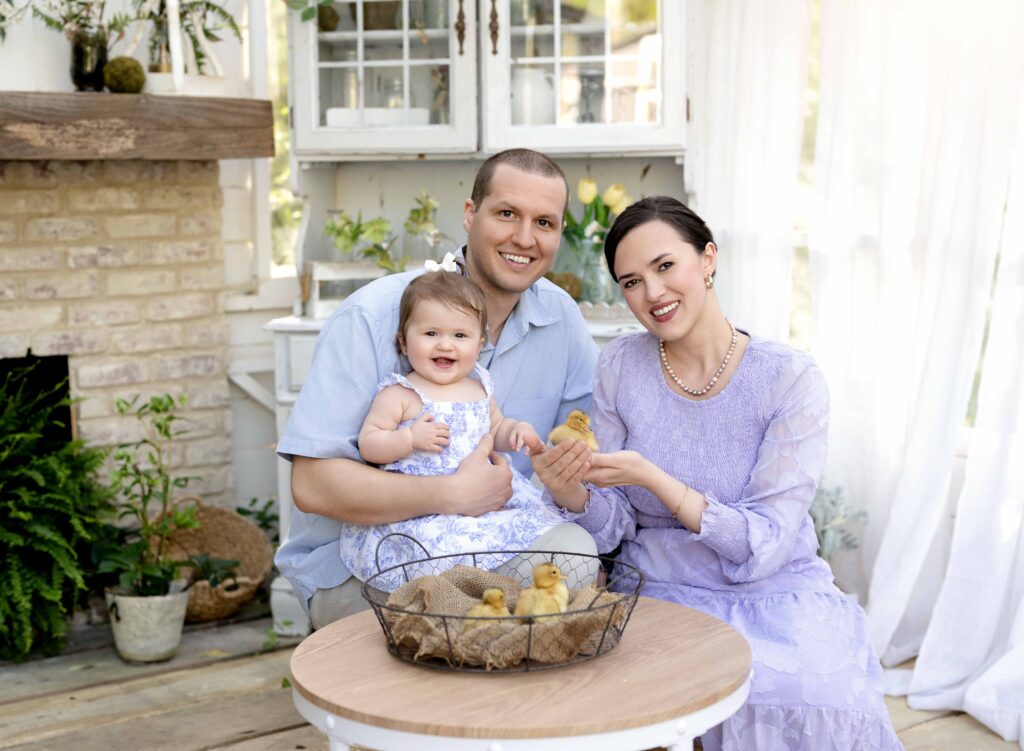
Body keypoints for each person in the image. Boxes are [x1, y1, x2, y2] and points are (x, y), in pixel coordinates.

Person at [535, 196, 902, 750]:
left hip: (774, 590)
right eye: (631, 282)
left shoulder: (790, 379)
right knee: (642, 695)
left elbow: (767, 542)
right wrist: (573, 493)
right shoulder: (620, 364)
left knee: (814, 693)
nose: (652, 294)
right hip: (662, 588)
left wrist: (655, 479)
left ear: (707, 259)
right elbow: (615, 528)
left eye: (665, 267)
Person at [276, 149, 599, 629]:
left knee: (576, 558)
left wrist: (562, 467)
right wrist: (451, 493)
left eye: (545, 223)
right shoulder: (374, 316)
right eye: (507, 214)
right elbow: (312, 485)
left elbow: (576, 457)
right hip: (374, 559)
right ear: (470, 215)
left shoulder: (562, 318)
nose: (524, 239)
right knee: (475, 618)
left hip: (492, 539)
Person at [340, 267, 566, 590]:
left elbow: (495, 428)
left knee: (529, 525)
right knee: (433, 546)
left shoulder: (480, 388)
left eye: (460, 336)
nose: (445, 345)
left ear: (480, 343)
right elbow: (370, 443)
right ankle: (450, 591)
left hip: (481, 503)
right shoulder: (402, 394)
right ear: (403, 342)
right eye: (431, 334)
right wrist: (408, 438)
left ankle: (486, 586)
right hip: (424, 510)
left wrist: (515, 430)